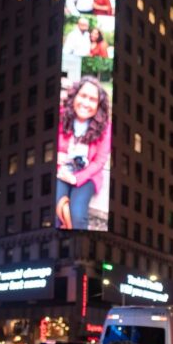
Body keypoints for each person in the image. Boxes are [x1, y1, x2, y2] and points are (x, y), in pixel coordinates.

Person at [55, 76, 111, 230]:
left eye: (92, 99)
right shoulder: (61, 115)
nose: (86, 103)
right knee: (57, 211)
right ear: (75, 96)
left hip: (87, 175)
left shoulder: (105, 128)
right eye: (83, 96)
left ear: (98, 104)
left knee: (77, 215)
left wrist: (75, 178)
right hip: (61, 170)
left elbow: (99, 162)